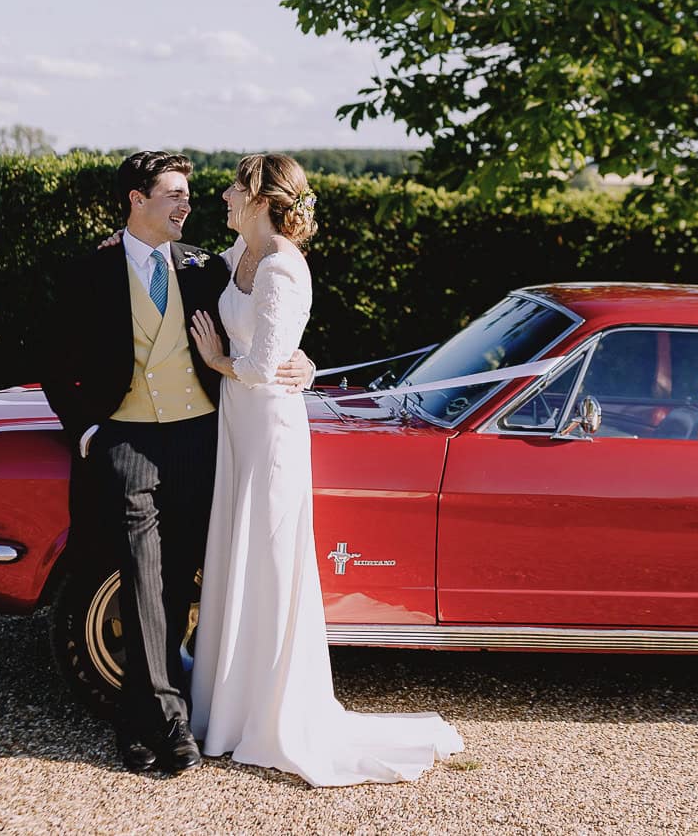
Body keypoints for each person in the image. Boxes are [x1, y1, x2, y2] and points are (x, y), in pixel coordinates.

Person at [187, 153, 465, 786]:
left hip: (270, 431)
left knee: (271, 558)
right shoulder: (240, 254)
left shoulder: (284, 267)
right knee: (238, 550)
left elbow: (262, 366)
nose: (225, 195)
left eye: (236, 186)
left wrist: (215, 357)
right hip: (239, 425)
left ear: (260, 199)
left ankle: (271, 711)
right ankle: (228, 708)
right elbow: (219, 289)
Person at [39, 151, 314, 777]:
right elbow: (55, 364)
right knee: (140, 578)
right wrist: (87, 433)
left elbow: (268, 321)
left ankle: (141, 719)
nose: (187, 204)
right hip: (128, 441)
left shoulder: (201, 268)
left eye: (189, 193)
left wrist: (305, 364)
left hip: (199, 438)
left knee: (180, 579)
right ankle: (165, 721)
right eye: (173, 194)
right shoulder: (90, 271)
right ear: (137, 199)